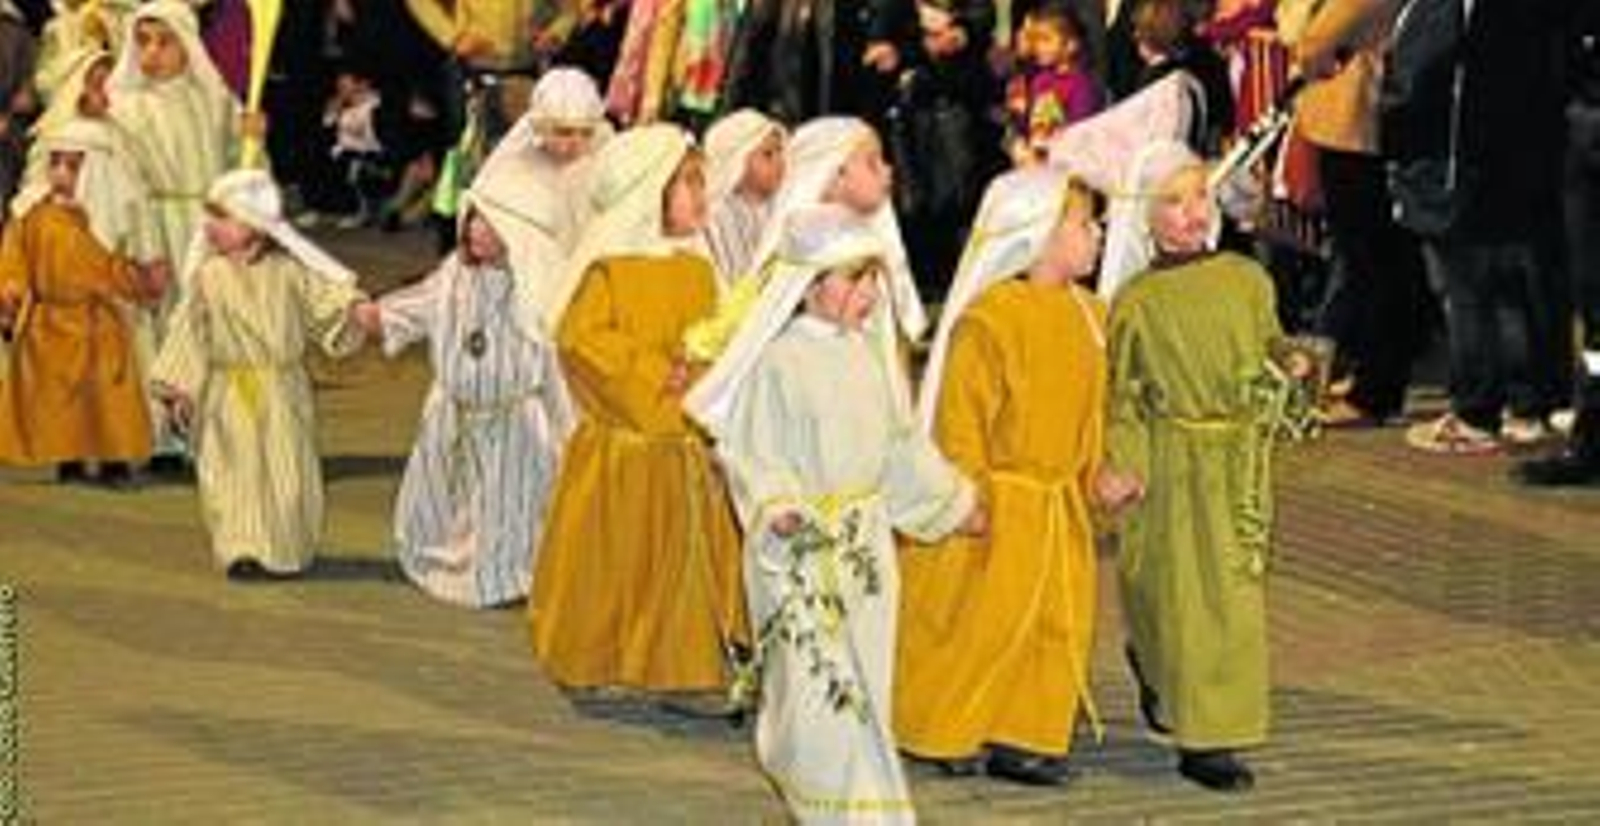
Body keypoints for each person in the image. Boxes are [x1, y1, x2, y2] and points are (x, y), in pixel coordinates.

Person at [686, 204, 982, 823]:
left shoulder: (866, 358)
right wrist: (782, 506)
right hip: (798, 554)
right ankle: (828, 801)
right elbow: (754, 453)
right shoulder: (779, 363)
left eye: (873, 278)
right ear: (809, 285)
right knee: (819, 688)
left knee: (865, 682)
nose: (869, 294)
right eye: (853, 279)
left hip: (866, 549)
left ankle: (864, 808)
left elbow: (899, 447)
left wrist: (953, 503)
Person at [1099, 139, 1308, 792]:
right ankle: (1159, 669)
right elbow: (1122, 396)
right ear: (1142, 217)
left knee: (1224, 602)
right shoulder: (1136, 302)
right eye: (1173, 201)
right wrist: (1123, 466)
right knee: (1166, 593)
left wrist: (1290, 369)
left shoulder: (1247, 280)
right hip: (1169, 466)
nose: (1193, 212)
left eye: (1199, 195)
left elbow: (1266, 348)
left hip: (1233, 463)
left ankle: (1210, 736)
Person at [894, 168, 1106, 785]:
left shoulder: (1092, 315)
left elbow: (1094, 410)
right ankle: (940, 727)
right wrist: (968, 495)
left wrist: (1096, 472)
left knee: (1053, 623)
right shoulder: (990, 320)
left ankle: (1026, 734)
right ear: (1036, 234)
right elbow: (961, 422)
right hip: (1000, 504)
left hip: (1056, 503)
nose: (1096, 234)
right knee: (979, 625)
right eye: (1083, 223)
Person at [527, 124, 746, 700]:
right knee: (620, 563)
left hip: (686, 452)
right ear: (649, 191)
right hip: (627, 455)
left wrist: (711, 370)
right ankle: (606, 659)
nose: (703, 195)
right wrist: (656, 372)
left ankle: (679, 668)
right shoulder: (610, 269)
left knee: (679, 566)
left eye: (702, 181)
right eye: (689, 182)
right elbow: (583, 341)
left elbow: (721, 334)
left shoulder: (699, 268)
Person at [353, 178, 574, 608]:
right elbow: (417, 306)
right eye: (473, 219)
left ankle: (505, 575)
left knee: (508, 506)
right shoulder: (454, 274)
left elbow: (554, 363)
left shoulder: (536, 284)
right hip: (454, 412)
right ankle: (451, 559)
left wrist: (567, 428)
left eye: (491, 224)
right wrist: (373, 314)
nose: (476, 231)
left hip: (514, 420)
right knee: (447, 499)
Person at [150, 168, 369, 579]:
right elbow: (191, 331)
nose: (212, 227)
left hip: (281, 388)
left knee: (286, 472)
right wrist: (179, 387)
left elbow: (328, 302)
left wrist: (353, 311)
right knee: (231, 471)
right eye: (210, 217)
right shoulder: (208, 278)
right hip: (227, 391)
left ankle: (285, 546)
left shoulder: (290, 272)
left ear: (258, 225)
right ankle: (242, 548)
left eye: (225, 218)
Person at [0, 118, 166, 487]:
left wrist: (142, 279)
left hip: (98, 323)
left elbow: (111, 268)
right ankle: (69, 458)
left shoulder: (102, 221)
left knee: (106, 395)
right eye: (55, 162)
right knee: (61, 399)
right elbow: (14, 256)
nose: (60, 173)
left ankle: (113, 461)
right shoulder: (32, 213)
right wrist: (11, 291)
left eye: (72, 166)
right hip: (50, 322)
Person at [1293, 0, 1430, 427]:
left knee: (1373, 258)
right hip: (1360, 117)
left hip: (1359, 121)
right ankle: (1374, 378)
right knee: (1375, 257)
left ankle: (1376, 388)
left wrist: (1312, 43)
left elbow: (1312, 36)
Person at [1004, 0, 1101, 166]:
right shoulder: (1040, 81)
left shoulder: (1082, 85)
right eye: (1035, 40)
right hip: (1034, 168)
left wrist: (1047, 156)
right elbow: (1029, 125)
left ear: (1071, 45)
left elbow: (1079, 136)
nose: (1038, 47)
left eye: (1046, 40)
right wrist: (1018, 139)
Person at [701, 108, 786, 287]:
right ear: (735, 162)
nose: (780, 161)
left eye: (781, 151)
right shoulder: (717, 216)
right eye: (768, 154)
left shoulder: (784, 204)